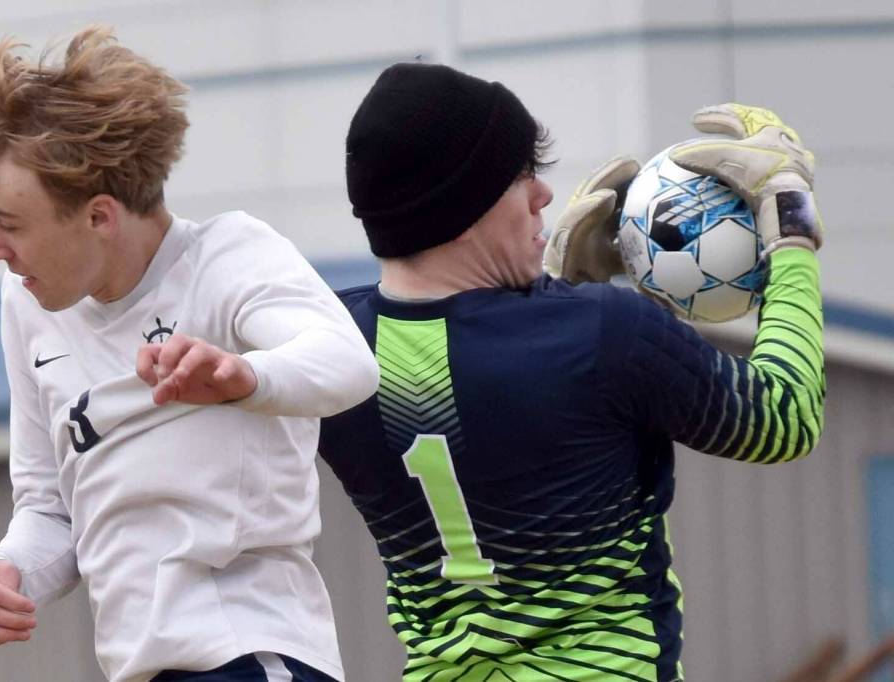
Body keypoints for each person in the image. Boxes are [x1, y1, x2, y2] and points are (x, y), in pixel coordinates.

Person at [316, 62, 824, 681]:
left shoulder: (329, 343)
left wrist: (560, 293)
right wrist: (791, 226)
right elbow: (784, 416)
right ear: (466, 203)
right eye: (521, 175)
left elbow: (491, 377)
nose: (544, 195)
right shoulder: (605, 334)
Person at [0, 27, 379, 682]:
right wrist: (4, 574)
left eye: (9, 225)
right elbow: (50, 510)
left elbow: (347, 363)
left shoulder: (228, 257)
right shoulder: (26, 303)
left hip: (251, 656)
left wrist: (244, 376)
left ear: (99, 216)